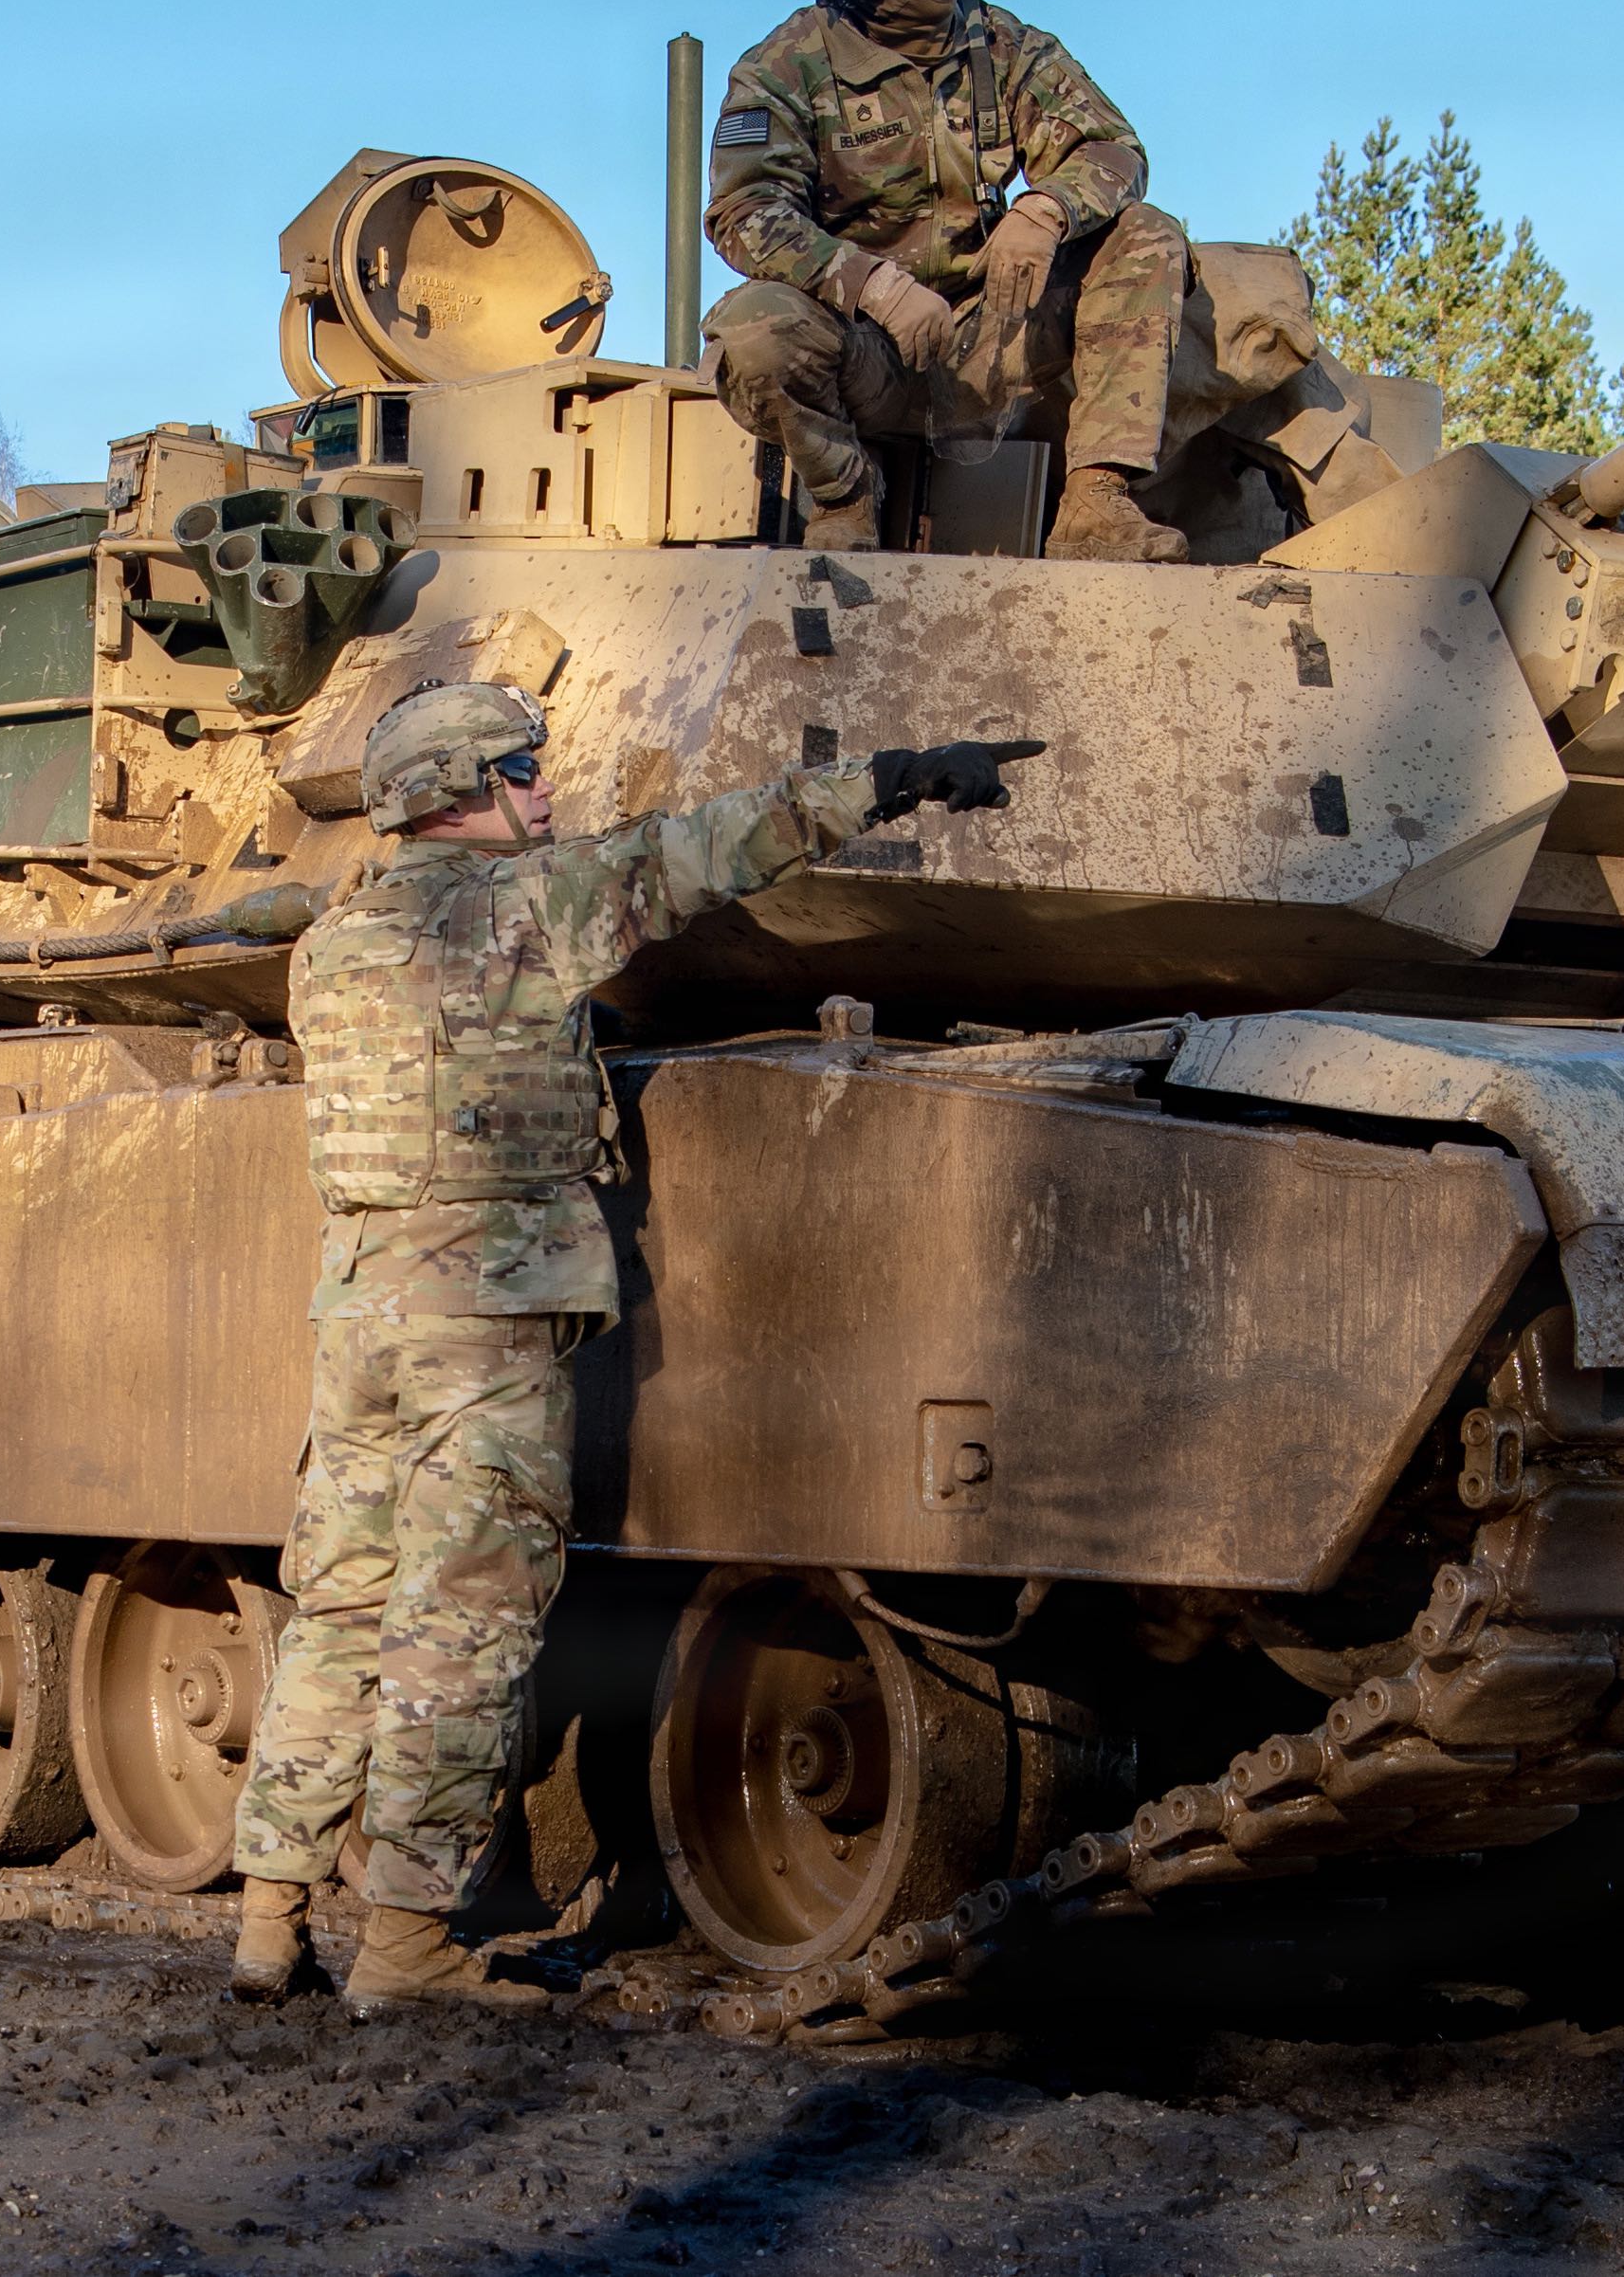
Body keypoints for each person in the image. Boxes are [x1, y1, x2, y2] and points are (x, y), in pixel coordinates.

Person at [228, 680, 1039, 2014]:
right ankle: (406, 1943)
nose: (545, 792)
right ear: (462, 790)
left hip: (360, 1305)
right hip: (482, 1316)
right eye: (523, 770)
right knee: (461, 1622)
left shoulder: (334, 941)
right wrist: (891, 774)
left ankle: (268, 1919)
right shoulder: (526, 907)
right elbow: (709, 848)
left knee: (341, 1609)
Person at [698, 0, 1197, 562]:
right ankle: (846, 496)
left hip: (989, 336)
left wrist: (1045, 209)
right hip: (862, 349)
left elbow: (1112, 149)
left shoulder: (1003, 46)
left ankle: (1095, 503)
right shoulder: (783, 69)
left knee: (1146, 234)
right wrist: (872, 285)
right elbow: (745, 212)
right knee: (752, 332)